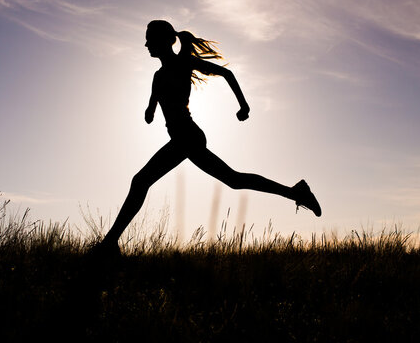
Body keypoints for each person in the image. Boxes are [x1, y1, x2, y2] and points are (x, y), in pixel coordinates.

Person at [94, 20, 320, 254]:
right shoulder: (157, 76)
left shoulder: (184, 63)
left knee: (140, 181)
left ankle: (109, 244)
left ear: (163, 40)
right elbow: (152, 104)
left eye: (149, 38)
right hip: (181, 138)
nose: (145, 44)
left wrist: (244, 105)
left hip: (188, 137)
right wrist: (149, 111)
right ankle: (295, 192)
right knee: (234, 179)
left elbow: (227, 73)